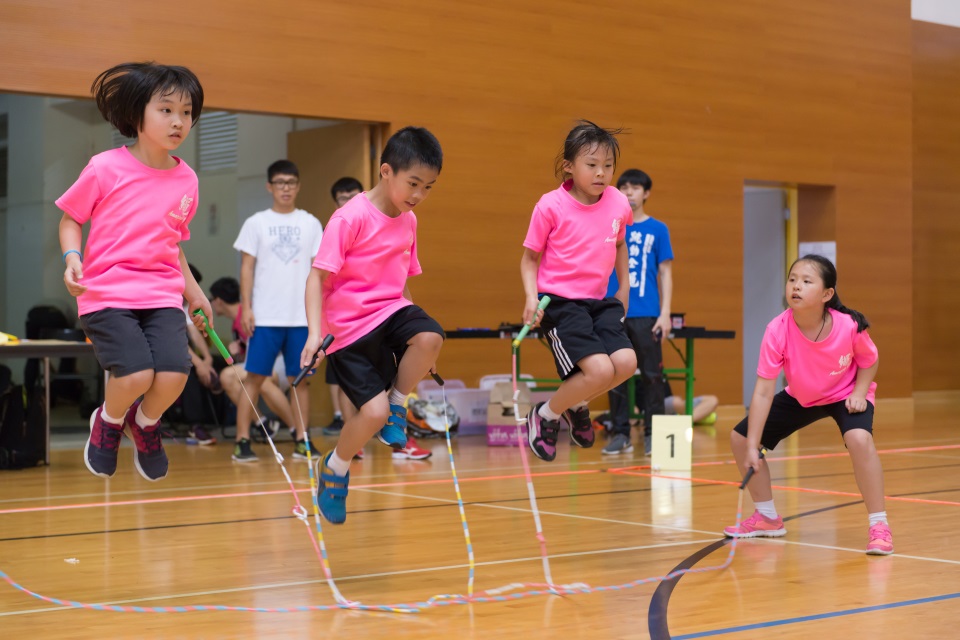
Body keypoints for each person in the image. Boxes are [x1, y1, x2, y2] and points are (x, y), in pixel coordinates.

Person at [57, 61, 209, 481]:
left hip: (161, 293)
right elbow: (71, 218)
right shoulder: (105, 167)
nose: (179, 121)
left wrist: (194, 294)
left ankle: (144, 424)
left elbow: (172, 243)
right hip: (106, 293)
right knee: (137, 373)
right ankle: (107, 420)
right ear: (138, 114)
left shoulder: (188, 180)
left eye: (187, 112)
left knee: (176, 375)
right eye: (166, 110)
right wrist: (73, 258)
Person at [302, 126, 446, 523]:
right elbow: (316, 278)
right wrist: (315, 335)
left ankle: (400, 405)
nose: (418, 195)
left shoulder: (409, 221)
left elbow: (403, 282)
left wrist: (422, 345)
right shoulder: (349, 218)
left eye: (428, 187)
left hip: (390, 311)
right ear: (386, 171)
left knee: (432, 334)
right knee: (372, 414)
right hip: (347, 330)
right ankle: (336, 467)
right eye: (413, 183)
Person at [724, 254, 892, 556]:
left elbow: (870, 360)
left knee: (859, 438)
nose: (796, 286)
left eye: (806, 281)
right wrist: (752, 444)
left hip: (845, 392)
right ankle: (767, 517)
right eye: (792, 279)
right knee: (739, 438)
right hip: (802, 396)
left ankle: (879, 525)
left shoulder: (849, 325)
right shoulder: (777, 329)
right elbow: (763, 391)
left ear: (827, 294)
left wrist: (860, 391)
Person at [520, 120, 637, 462]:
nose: (601, 173)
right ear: (570, 166)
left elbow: (619, 245)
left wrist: (625, 286)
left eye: (608, 166)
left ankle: (577, 404)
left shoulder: (617, 202)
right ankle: (545, 415)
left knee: (627, 363)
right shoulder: (550, 206)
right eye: (592, 165)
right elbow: (529, 259)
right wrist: (530, 298)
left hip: (599, 302)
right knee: (599, 370)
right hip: (559, 303)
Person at [231, 161, 323, 463]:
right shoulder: (256, 222)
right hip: (266, 316)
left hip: (301, 318)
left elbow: (319, 272)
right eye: (280, 182)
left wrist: (318, 318)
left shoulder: (310, 223)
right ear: (269, 186)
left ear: (298, 186)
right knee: (255, 379)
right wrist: (247, 307)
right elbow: (247, 268)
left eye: (292, 182)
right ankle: (242, 440)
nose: (286, 187)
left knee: (301, 380)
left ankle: (302, 440)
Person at [602, 169, 673, 457]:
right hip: (612, 311)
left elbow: (666, 273)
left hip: (647, 312)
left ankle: (653, 434)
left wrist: (665, 312)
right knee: (612, 375)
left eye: (635, 187)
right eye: (624, 187)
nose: (629, 192)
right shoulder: (609, 225)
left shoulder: (658, 229)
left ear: (646, 193)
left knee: (652, 377)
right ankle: (620, 434)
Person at [208, 277, 299, 442]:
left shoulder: (249, 314)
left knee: (259, 378)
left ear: (218, 301)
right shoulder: (236, 325)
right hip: (265, 365)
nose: (211, 305)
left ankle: (296, 430)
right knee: (229, 378)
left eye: (211, 300)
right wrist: (238, 354)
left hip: (280, 361)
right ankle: (263, 424)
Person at [321, 177, 363, 436]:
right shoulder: (336, 227)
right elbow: (322, 278)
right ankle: (350, 432)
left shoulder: (373, 223)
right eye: (342, 199)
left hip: (369, 314)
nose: (348, 203)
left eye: (353, 196)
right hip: (341, 316)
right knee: (342, 376)